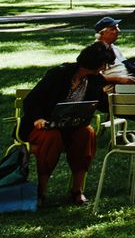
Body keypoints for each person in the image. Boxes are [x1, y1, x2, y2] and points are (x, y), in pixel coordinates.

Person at [21, 41, 113, 205]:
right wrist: (38, 118)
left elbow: (105, 105)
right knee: (52, 136)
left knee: (87, 133)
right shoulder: (58, 74)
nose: (104, 68)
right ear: (93, 64)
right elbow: (30, 101)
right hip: (43, 126)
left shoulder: (95, 80)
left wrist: (134, 114)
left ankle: (77, 190)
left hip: (71, 127)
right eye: (103, 64)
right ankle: (41, 191)